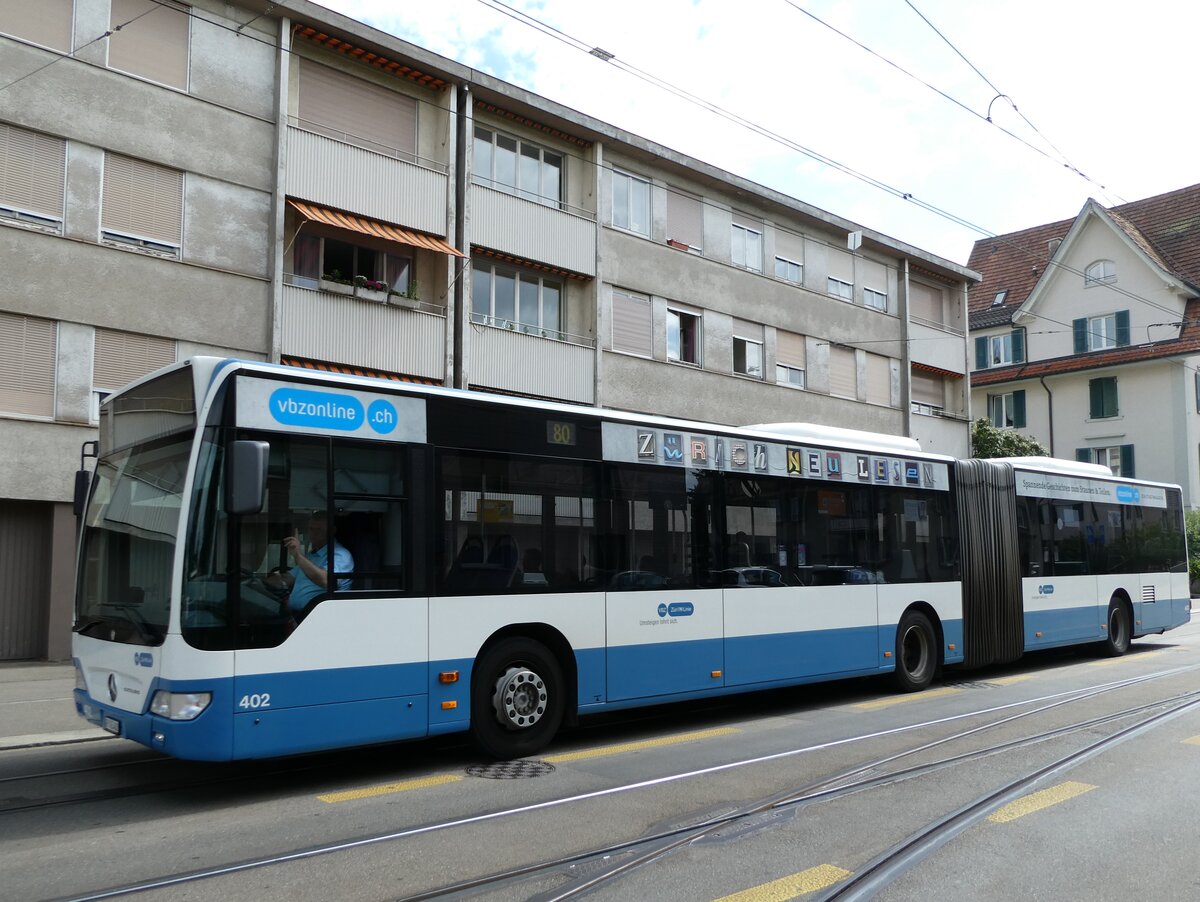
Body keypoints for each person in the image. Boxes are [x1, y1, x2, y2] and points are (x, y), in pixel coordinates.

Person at [267, 511, 353, 619]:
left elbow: (326, 580)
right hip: (297, 615)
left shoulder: (340, 555)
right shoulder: (311, 556)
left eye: (318, 530)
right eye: (311, 529)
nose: (313, 534)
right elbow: (288, 579)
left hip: (322, 617)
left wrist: (297, 555)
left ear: (332, 531)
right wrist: (262, 581)